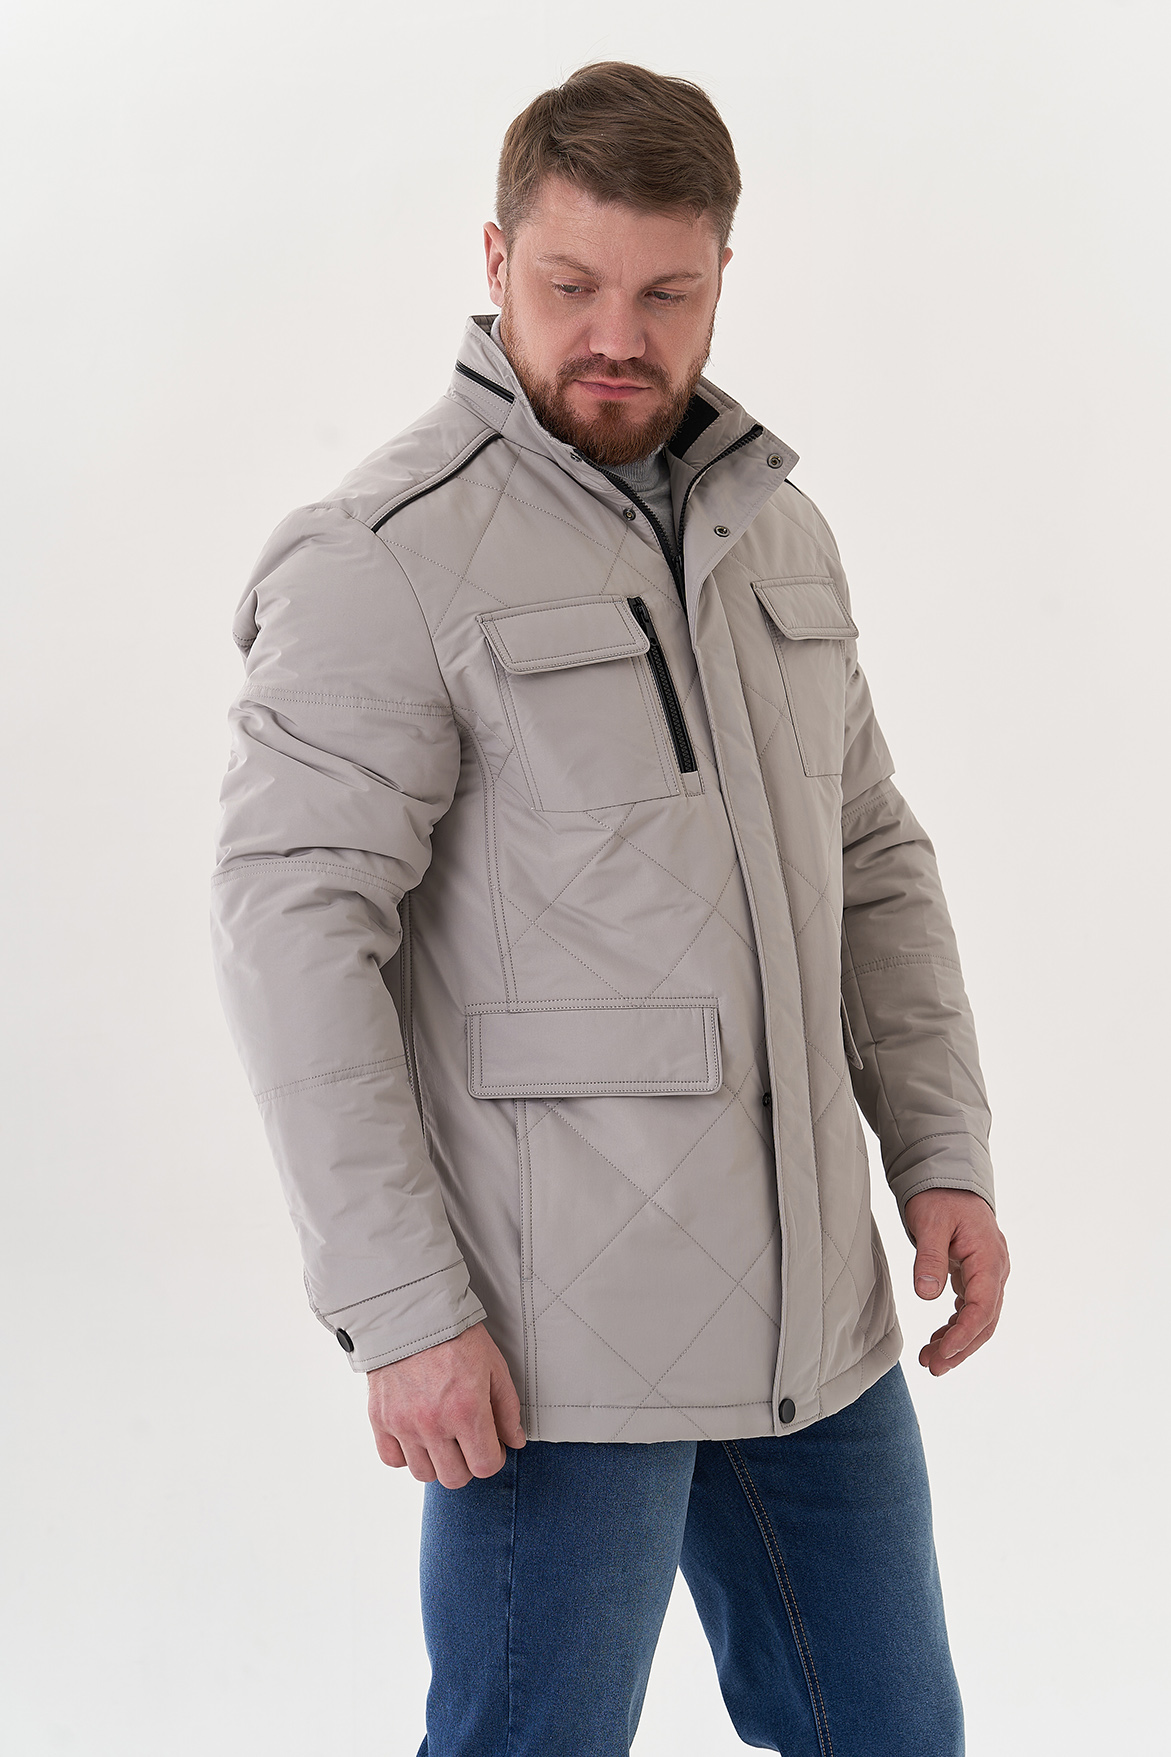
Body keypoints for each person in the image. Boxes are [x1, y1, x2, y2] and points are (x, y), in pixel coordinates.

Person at [211, 60, 1010, 1757]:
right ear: (496, 258)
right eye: (572, 286)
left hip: (817, 1319)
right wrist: (403, 1307)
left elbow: (873, 853)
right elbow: (295, 940)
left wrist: (940, 1146)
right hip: (554, 1347)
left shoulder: (779, 535)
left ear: (723, 276)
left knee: (897, 1734)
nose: (615, 338)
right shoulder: (381, 554)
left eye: (666, 295)